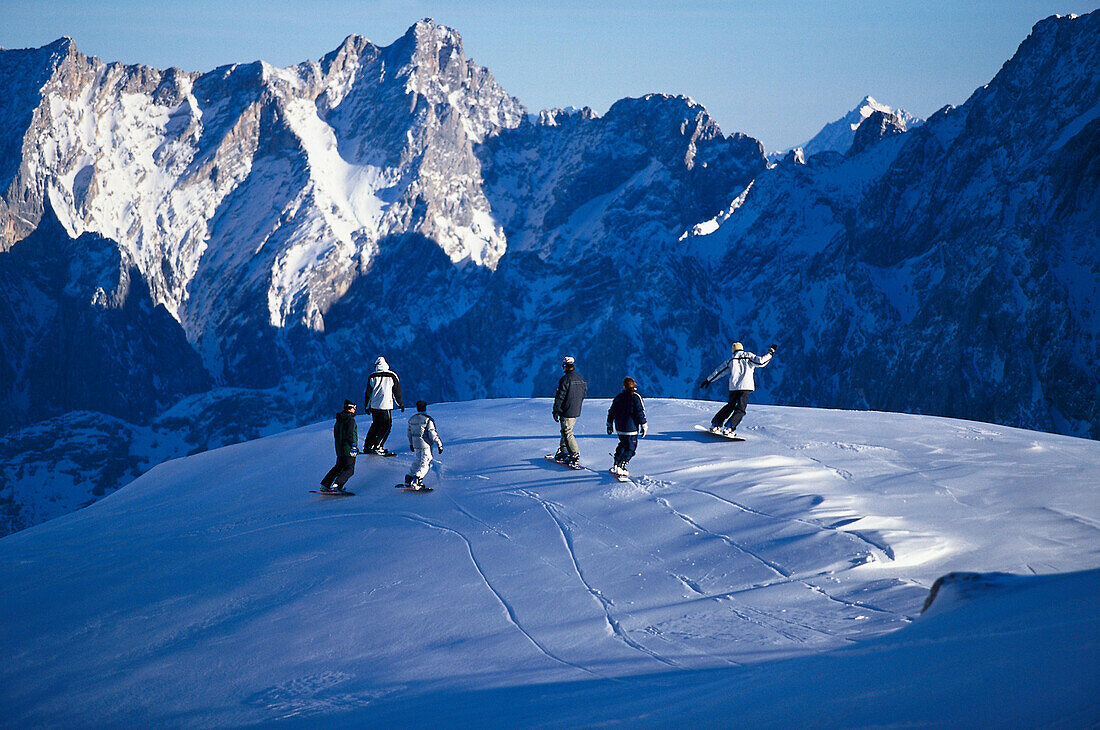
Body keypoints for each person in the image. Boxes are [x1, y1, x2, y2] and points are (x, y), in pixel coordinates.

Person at [700, 342, 777, 436]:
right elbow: (761, 361)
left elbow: (719, 371)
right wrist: (771, 352)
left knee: (730, 406)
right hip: (745, 387)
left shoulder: (731, 360)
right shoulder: (748, 356)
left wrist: (708, 380)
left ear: (733, 350)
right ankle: (729, 428)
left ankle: (716, 424)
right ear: (742, 348)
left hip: (733, 387)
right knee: (740, 409)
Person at [362, 356, 404, 455]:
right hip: (386, 405)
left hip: (374, 406)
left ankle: (368, 446)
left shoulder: (372, 376)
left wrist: (366, 406)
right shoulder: (392, 375)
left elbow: (368, 393)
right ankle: (378, 446)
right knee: (387, 426)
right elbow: (397, 392)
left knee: (375, 425)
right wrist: (400, 404)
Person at [606, 377, 647, 477]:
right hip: (631, 428)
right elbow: (639, 413)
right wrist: (644, 425)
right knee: (631, 448)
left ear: (624, 386)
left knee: (623, 444)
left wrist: (609, 424)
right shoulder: (635, 397)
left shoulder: (619, 397)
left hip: (620, 428)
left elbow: (612, 411)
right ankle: (622, 465)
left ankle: (617, 462)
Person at [552, 355, 587, 466]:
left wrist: (556, 410)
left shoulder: (565, 380)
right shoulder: (581, 379)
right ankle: (564, 450)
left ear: (565, 366)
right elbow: (583, 395)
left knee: (567, 432)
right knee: (566, 430)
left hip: (566, 410)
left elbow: (560, 397)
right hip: (576, 410)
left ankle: (574, 452)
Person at [320, 400, 358, 493]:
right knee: (349, 469)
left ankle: (325, 484)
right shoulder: (350, 420)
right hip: (348, 448)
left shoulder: (339, 420)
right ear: (351, 408)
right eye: (354, 408)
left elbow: (337, 434)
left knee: (339, 467)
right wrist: (353, 446)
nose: (355, 410)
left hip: (339, 448)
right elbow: (350, 434)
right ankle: (337, 486)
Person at [405, 400, 443, 490]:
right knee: (425, 462)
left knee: (417, 461)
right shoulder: (427, 419)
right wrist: (439, 444)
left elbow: (409, 433)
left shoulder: (412, 419)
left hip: (415, 444)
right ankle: (417, 479)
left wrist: (411, 443)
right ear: (425, 407)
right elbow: (432, 433)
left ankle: (408, 478)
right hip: (425, 444)